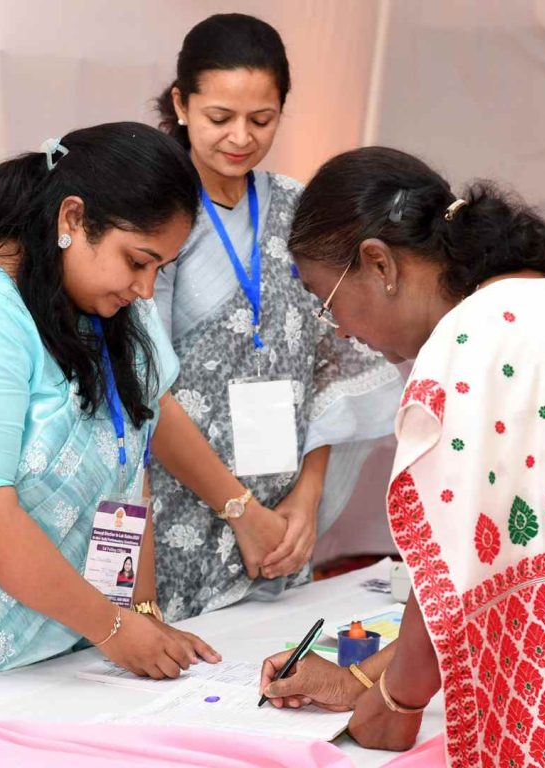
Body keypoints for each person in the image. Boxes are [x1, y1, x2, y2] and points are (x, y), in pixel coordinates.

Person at [259, 147, 545, 767]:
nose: (343, 333)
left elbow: (462, 564)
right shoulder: (534, 301)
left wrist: (395, 703)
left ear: (379, 264)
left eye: (328, 305)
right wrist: (364, 681)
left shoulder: (474, 342)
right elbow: (465, 574)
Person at [0, 122, 221, 687]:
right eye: (137, 261)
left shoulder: (110, 308)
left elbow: (131, 469)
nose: (146, 288)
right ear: (72, 219)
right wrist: (114, 630)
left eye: (161, 267)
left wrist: (144, 613)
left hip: (61, 657)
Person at [150, 14, 403, 621]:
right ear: (182, 104)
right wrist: (242, 512)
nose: (241, 137)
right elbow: (142, 387)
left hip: (282, 519)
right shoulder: (153, 208)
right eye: (220, 118)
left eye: (261, 120)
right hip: (179, 509)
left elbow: (333, 363)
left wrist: (305, 500)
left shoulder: (298, 207)